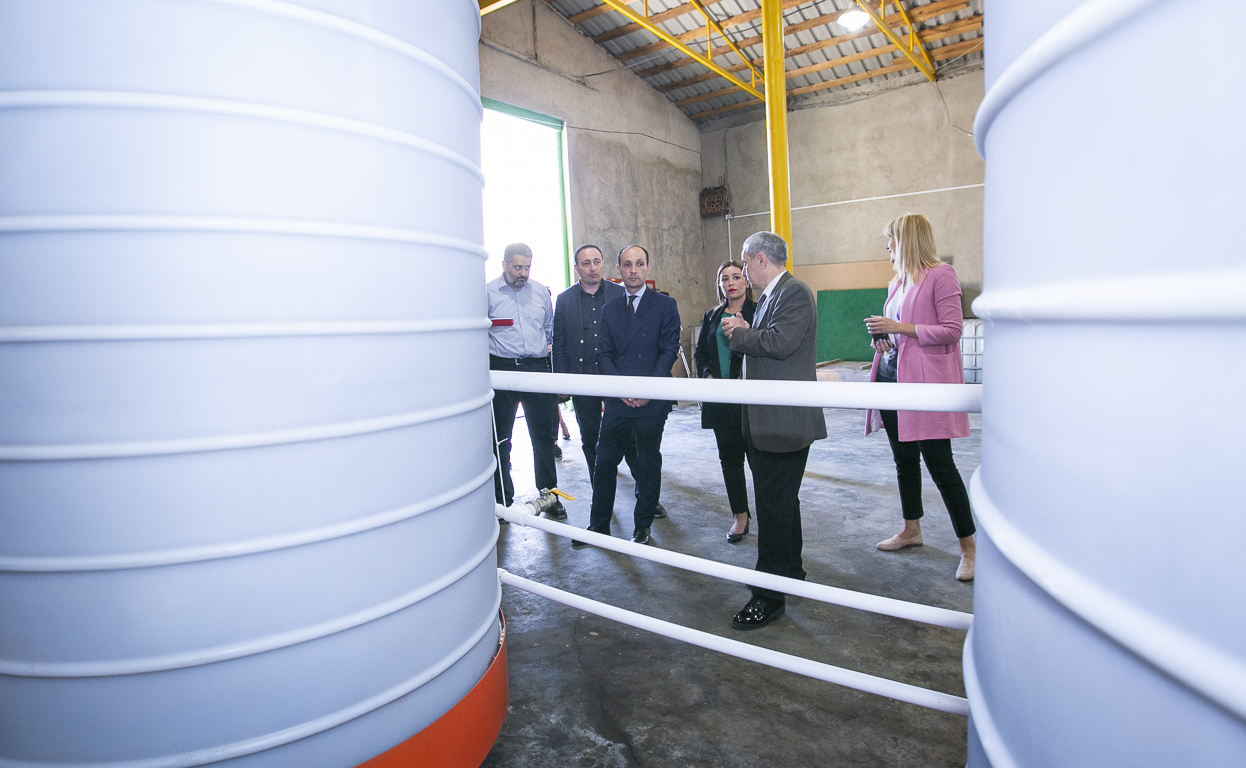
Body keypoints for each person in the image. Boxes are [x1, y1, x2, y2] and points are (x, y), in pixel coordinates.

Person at [721, 231, 827, 630]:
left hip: (783, 422)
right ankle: (791, 571)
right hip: (770, 420)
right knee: (782, 501)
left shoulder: (793, 292)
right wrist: (748, 328)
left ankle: (768, 597)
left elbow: (781, 343)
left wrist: (739, 333)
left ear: (761, 259)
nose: (744, 271)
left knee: (772, 507)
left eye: (746, 263)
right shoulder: (772, 295)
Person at [864, 213, 975, 581]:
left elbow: (952, 330)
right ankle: (911, 529)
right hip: (890, 377)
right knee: (904, 460)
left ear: (908, 240)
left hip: (923, 386)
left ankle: (968, 547)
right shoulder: (897, 281)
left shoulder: (942, 275)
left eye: (892, 239)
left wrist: (899, 327)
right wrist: (884, 338)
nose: (887, 246)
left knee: (941, 465)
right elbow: (901, 334)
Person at [576, 245, 680, 547]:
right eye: (627, 264)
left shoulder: (665, 305)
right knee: (604, 461)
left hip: (652, 398)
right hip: (618, 399)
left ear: (648, 267)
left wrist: (647, 389)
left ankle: (642, 526)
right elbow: (603, 353)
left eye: (639, 264)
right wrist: (622, 389)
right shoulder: (610, 310)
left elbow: (668, 350)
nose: (633, 270)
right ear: (618, 270)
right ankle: (599, 525)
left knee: (647, 462)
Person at [487, 242, 566, 520]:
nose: (523, 273)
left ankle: (549, 497)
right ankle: (502, 501)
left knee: (544, 438)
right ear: (504, 265)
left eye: (527, 267)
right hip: (502, 370)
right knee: (500, 439)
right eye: (517, 267)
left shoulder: (541, 292)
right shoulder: (487, 293)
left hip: (536, 368)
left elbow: (548, 329)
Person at [693, 260, 756, 543]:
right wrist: (707, 374)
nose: (730, 282)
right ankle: (740, 516)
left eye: (736, 277)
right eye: (725, 278)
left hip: (751, 401)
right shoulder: (712, 315)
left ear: (746, 281)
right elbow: (700, 354)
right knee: (730, 461)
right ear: (720, 285)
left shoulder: (759, 311)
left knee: (759, 461)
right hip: (720, 400)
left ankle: (770, 516)